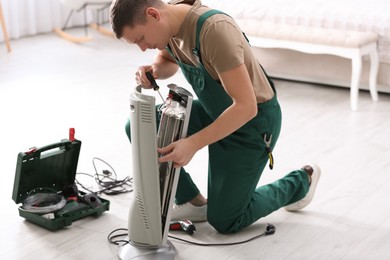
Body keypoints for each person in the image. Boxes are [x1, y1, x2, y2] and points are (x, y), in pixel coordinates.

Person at [110, 0, 321, 234]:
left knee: (225, 221)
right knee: (140, 126)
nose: (142, 47)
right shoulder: (168, 24)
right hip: (215, 111)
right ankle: (192, 201)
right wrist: (155, 70)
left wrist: (193, 144)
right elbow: (168, 59)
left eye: (140, 38)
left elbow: (245, 106)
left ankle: (301, 182)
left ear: (153, 15)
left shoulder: (214, 31)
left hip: (252, 125)